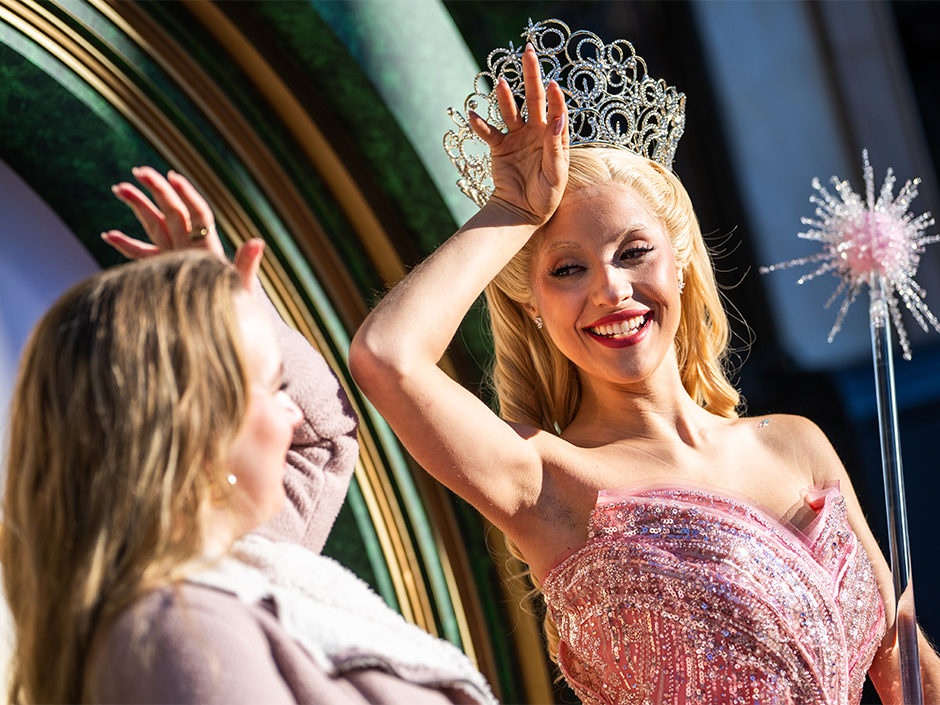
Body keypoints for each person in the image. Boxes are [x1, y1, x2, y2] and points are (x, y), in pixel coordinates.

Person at [348, 21, 940, 704]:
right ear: (533, 302)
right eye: (568, 268)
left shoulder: (799, 443)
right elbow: (386, 357)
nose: (611, 290)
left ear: (681, 257)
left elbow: (905, 665)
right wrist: (511, 211)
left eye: (634, 252)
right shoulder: (550, 483)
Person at [1, 168, 495, 704]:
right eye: (272, 385)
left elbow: (323, 438)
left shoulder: (220, 572)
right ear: (200, 423)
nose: (292, 413)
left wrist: (232, 309)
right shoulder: (179, 629)